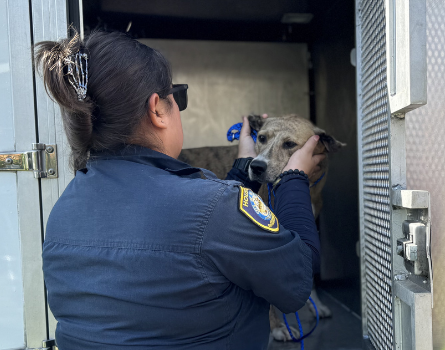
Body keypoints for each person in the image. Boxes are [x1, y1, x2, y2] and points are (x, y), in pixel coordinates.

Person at [35, 30, 324, 349]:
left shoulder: (63, 209)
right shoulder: (216, 207)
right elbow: (296, 280)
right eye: (178, 97)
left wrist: (243, 171)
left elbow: (195, 229)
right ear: (157, 109)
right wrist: (296, 176)